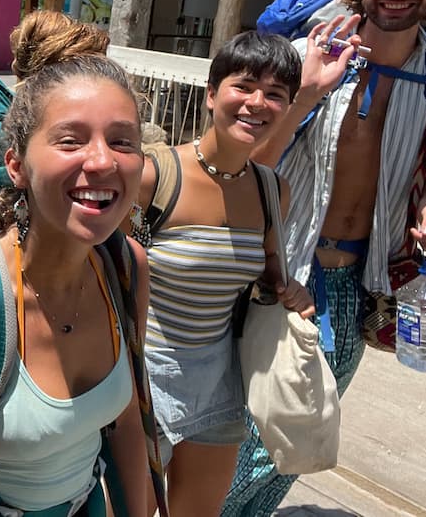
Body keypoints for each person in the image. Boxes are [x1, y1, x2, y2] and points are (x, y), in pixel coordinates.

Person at [224, 0, 426, 515]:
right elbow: (244, 163)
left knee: (296, 440)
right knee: (245, 436)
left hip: (354, 284)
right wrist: (310, 89)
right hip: (268, 271)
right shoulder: (300, 58)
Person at [0, 10, 151, 516]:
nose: (102, 161)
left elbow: (126, 423)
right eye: (71, 139)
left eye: (122, 141)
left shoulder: (126, 267)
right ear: (15, 163)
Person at [126, 31, 313, 517]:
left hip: (218, 380)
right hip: (142, 378)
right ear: (212, 94)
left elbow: (270, 281)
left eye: (275, 94)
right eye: (244, 86)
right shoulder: (153, 177)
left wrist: (289, 292)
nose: (257, 103)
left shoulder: (274, 192)